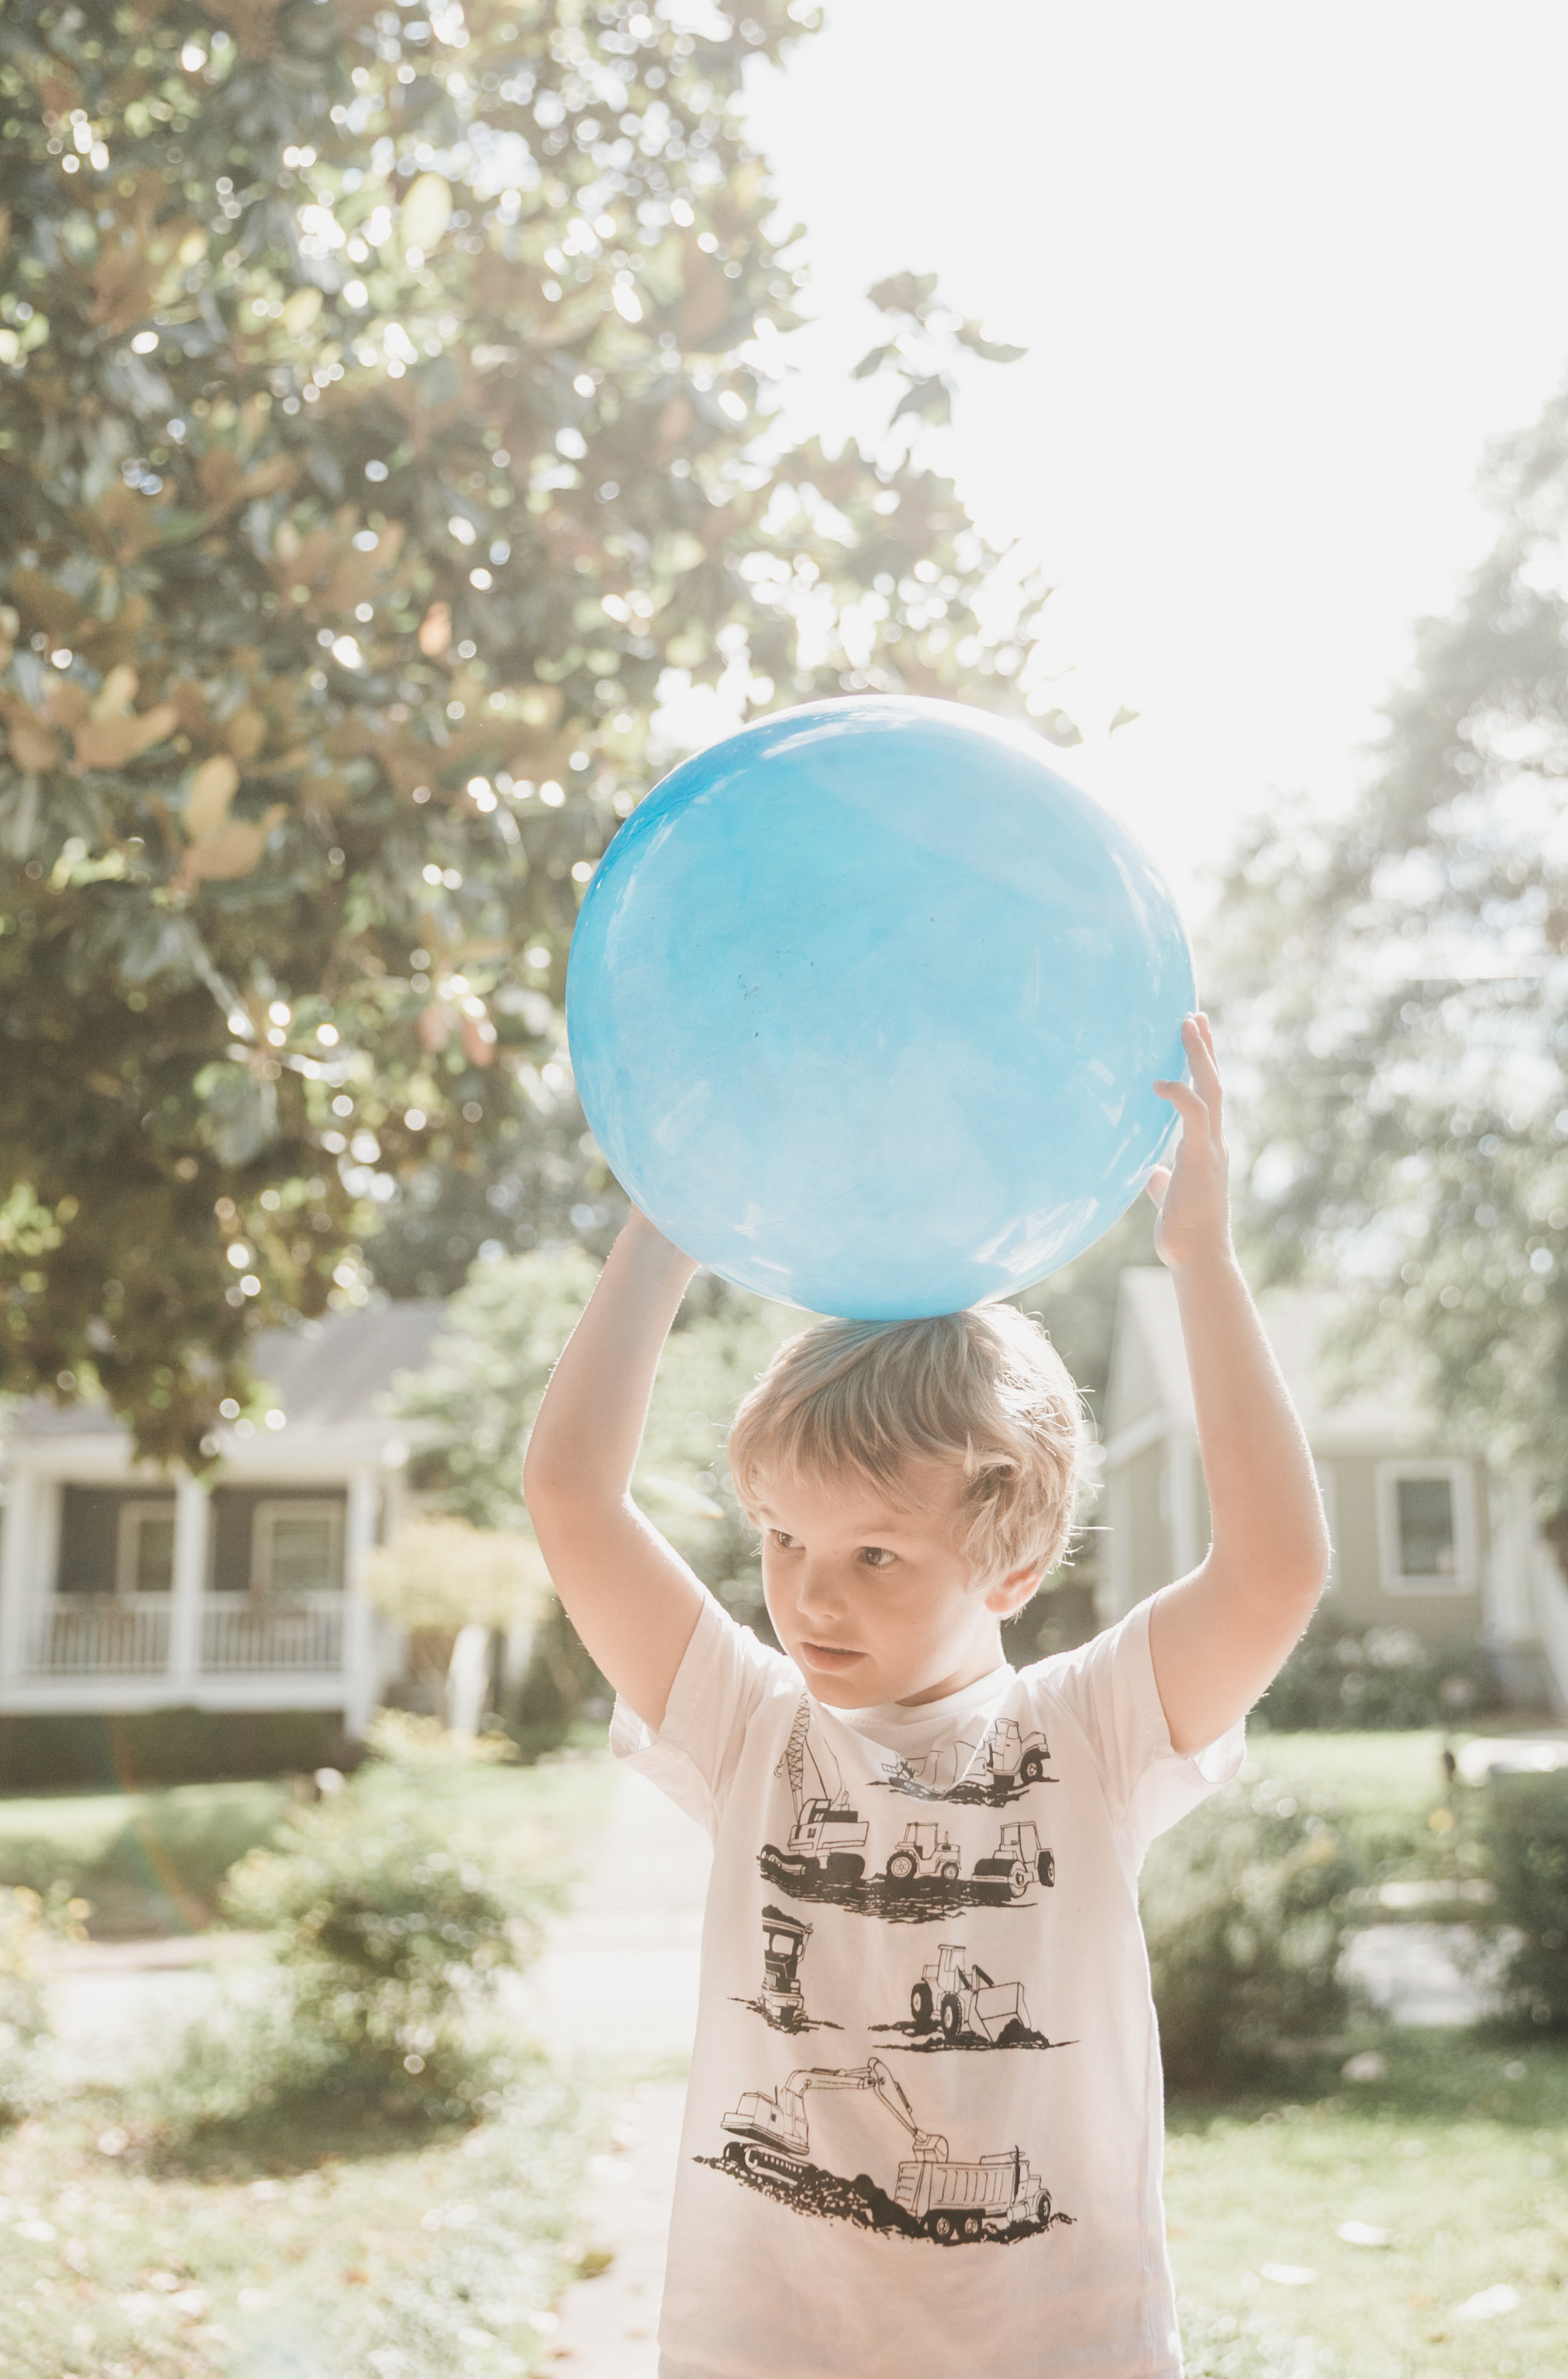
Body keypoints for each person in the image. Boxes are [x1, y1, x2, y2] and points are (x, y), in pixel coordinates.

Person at [525, 1012, 1330, 2378]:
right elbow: (571, 1494)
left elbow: (1274, 1572)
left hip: (1060, 2347)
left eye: (876, 1553)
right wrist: (672, 1215)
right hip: (767, 2348)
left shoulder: (1087, 1733)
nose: (810, 1596)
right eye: (784, 1538)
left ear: (1010, 1565)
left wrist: (1202, 1262)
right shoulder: (745, 1724)